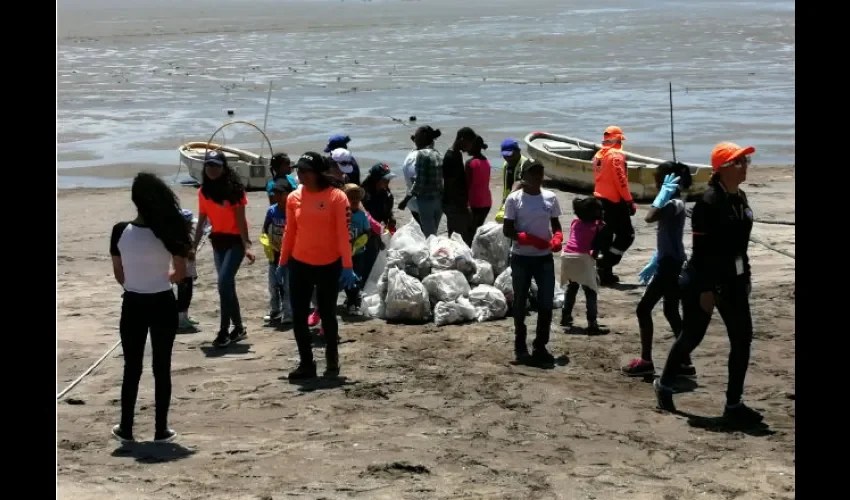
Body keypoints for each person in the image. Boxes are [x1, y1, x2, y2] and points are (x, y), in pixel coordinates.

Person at [654, 142, 762, 427]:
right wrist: (706, 289)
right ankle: (664, 384)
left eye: (746, 161)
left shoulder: (739, 197)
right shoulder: (709, 202)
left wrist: (746, 276)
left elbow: (740, 247)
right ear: (724, 168)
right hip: (704, 280)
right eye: (739, 162)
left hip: (734, 279)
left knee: (742, 339)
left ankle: (733, 403)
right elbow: (702, 252)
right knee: (692, 336)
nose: (745, 166)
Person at [109, 172, 191, 444]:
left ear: (135, 201)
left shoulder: (120, 231)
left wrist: (140, 280)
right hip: (162, 303)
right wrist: (161, 277)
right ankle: (160, 429)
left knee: (132, 368)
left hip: (133, 303)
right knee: (161, 367)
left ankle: (127, 428)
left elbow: (120, 276)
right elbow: (179, 274)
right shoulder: (170, 233)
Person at [278, 152, 359, 380]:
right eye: (298, 170)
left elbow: (344, 234)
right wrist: (283, 262)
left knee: (327, 313)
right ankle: (306, 363)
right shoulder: (294, 197)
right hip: (300, 263)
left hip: (328, 265)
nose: (300, 174)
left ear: (317, 173)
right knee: (299, 315)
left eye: (305, 170)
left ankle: (332, 360)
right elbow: (289, 232)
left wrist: (347, 266)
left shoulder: (336, 197)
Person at [622, 162, 695, 377]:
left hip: (670, 266)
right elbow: (668, 235)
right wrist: (656, 258)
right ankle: (685, 362)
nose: (656, 182)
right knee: (671, 312)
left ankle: (646, 361)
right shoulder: (676, 203)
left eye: (660, 179)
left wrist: (662, 195)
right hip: (669, 260)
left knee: (643, 309)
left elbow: (649, 217)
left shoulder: (673, 204)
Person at [502, 160, 563, 365]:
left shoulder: (550, 198)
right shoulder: (514, 199)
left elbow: (556, 225)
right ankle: (520, 346)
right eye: (533, 173)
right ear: (524, 177)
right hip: (521, 257)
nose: (538, 177)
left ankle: (540, 345)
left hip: (544, 258)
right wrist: (528, 239)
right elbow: (507, 229)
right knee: (520, 302)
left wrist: (558, 238)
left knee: (546, 303)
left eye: (540, 173)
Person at [193, 150, 256, 349]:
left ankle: (223, 331)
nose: (212, 169)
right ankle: (238, 328)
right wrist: (193, 247)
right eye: (209, 165)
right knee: (226, 287)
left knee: (222, 284)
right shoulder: (203, 191)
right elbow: (202, 220)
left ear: (223, 167)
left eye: (216, 166)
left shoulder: (235, 190)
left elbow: (241, 220)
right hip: (218, 243)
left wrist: (247, 245)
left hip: (235, 242)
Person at [592, 126, 636, 285]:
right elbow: (621, 180)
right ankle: (605, 264)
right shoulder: (616, 155)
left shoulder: (598, 155)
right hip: (614, 202)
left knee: (606, 236)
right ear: (617, 139)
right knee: (627, 235)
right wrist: (629, 200)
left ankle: (605, 274)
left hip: (600, 199)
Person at [560, 197, 603, 334]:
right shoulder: (597, 227)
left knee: (572, 287)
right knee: (590, 291)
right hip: (582, 258)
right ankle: (592, 323)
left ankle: (565, 316)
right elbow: (595, 249)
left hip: (567, 255)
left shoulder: (575, 223)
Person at [262, 177, 297, 326]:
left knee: (288, 285)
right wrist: (267, 245)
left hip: (291, 255)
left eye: (279, 193)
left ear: (288, 194)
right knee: (273, 284)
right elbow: (265, 229)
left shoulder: (294, 211)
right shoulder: (272, 211)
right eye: (274, 193)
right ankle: (275, 309)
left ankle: (288, 313)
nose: (275, 196)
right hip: (275, 253)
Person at [398, 126, 444, 237]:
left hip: (424, 201)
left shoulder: (420, 155)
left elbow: (418, 181)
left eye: (416, 135)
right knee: (432, 233)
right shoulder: (437, 154)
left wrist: (406, 199)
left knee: (429, 236)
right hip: (439, 200)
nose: (414, 138)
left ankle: (430, 252)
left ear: (422, 137)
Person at [342, 183, 379, 314]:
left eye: (357, 198)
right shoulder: (342, 214)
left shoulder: (362, 216)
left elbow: (368, 231)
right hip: (344, 253)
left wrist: (360, 240)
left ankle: (353, 301)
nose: (355, 201)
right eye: (351, 197)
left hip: (358, 253)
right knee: (346, 278)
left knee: (357, 277)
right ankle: (350, 299)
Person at [361, 163, 397, 281]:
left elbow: (386, 210)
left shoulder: (385, 193)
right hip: (365, 232)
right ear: (376, 179)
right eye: (385, 179)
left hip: (377, 229)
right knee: (369, 258)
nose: (388, 182)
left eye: (388, 179)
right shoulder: (364, 195)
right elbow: (362, 216)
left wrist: (390, 218)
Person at [442, 127, 476, 244]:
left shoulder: (457, 155)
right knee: (460, 238)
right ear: (462, 139)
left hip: (458, 204)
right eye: (469, 143)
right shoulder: (450, 157)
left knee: (461, 235)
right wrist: (462, 207)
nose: (470, 147)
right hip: (454, 205)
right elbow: (450, 185)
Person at [494, 138, 532, 222]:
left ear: (518, 151)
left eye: (510, 155)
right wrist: (503, 204)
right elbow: (506, 189)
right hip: (510, 204)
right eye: (505, 155)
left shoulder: (526, 165)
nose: (508, 158)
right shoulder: (506, 165)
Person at [176, 209, 199, 332]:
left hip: (189, 272)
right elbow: (179, 255)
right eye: (190, 224)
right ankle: (180, 320)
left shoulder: (187, 237)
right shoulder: (179, 238)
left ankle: (185, 317)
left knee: (188, 295)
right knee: (182, 296)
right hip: (183, 272)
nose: (192, 226)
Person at [465, 135, 492, 238]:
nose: (466, 147)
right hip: (486, 202)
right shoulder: (486, 161)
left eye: (468, 145)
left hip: (474, 203)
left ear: (473, 146)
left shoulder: (470, 163)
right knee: (478, 230)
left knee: (470, 232)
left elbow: (466, 185)